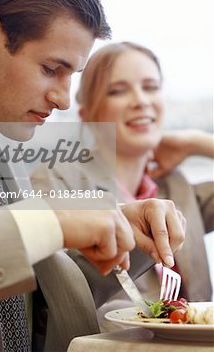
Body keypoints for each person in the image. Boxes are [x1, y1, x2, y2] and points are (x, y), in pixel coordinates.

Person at [0, 0, 185, 352]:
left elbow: (26, 307)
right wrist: (49, 220)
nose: (63, 100)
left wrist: (121, 239)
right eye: (50, 70)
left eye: (72, 76)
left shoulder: (0, 138)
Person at [32, 41, 213, 330]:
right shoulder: (56, 181)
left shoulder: (177, 188)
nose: (141, 100)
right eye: (118, 90)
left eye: (151, 87)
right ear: (87, 114)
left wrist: (196, 142)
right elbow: (50, 302)